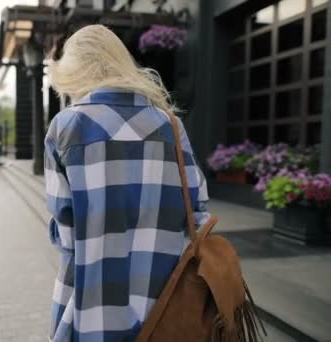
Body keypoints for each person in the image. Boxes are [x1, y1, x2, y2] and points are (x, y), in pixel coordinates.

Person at [44, 25, 211, 341]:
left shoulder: (66, 127)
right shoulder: (171, 126)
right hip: (169, 308)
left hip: (93, 310)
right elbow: (198, 213)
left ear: (76, 71)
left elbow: (66, 236)